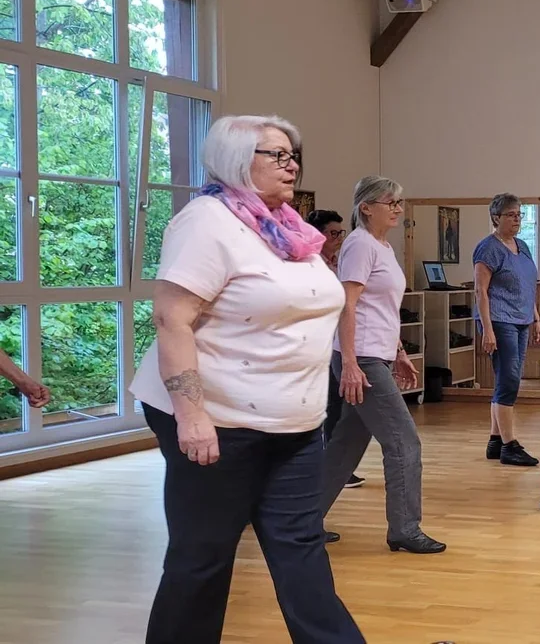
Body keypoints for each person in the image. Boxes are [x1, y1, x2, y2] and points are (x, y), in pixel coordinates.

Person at [128, 115, 363, 642]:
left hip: (295, 422)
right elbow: (171, 319)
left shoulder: (292, 232)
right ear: (237, 161)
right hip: (218, 423)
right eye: (275, 154)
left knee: (301, 551)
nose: (291, 164)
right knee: (203, 557)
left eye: (292, 153)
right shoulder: (207, 222)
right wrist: (191, 417)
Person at [319, 176, 445, 554]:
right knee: (404, 442)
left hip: (376, 354)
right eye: (390, 202)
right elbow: (349, 304)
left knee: (345, 445)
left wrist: (400, 352)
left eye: (399, 203)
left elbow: (383, 309)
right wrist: (353, 363)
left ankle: (300, 519)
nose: (397, 209)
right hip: (362, 359)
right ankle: (404, 529)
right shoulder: (359, 244)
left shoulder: (383, 247)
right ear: (366, 207)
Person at [475, 193, 540, 467]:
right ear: (496, 218)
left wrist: (536, 318)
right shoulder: (488, 248)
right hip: (499, 319)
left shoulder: (522, 246)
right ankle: (509, 445)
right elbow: (480, 290)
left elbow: (529, 285)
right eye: (511, 215)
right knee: (509, 379)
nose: (517, 219)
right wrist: (487, 329)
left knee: (508, 377)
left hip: (521, 319)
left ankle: (495, 440)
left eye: (519, 215)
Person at [308, 209, 364, 489]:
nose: (338, 239)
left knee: (337, 405)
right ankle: (330, 467)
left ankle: (336, 466)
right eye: (333, 233)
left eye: (340, 233)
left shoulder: (337, 263)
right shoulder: (310, 266)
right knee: (332, 405)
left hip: (335, 344)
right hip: (319, 345)